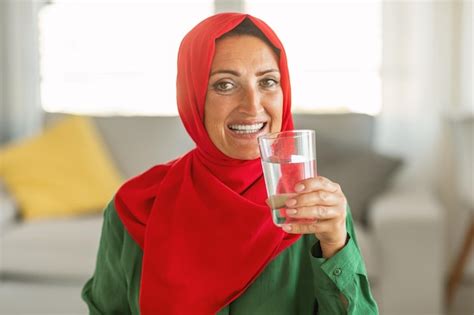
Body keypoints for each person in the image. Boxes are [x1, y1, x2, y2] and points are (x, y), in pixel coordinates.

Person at [82, 13, 379, 315]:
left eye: (268, 81)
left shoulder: (315, 207)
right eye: (225, 85)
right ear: (194, 97)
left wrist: (335, 245)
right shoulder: (136, 206)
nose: (252, 105)